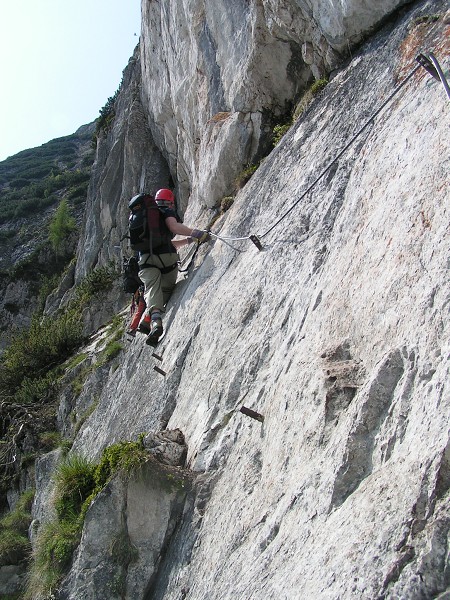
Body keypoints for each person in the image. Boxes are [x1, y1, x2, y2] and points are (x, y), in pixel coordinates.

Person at [135, 188, 210, 345]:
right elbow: (173, 227)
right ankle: (153, 319)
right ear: (170, 201)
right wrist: (196, 233)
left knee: (152, 289)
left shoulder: (144, 219)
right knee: (166, 292)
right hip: (166, 259)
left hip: (144, 261)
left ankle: (151, 319)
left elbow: (165, 243)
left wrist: (189, 241)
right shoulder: (166, 210)